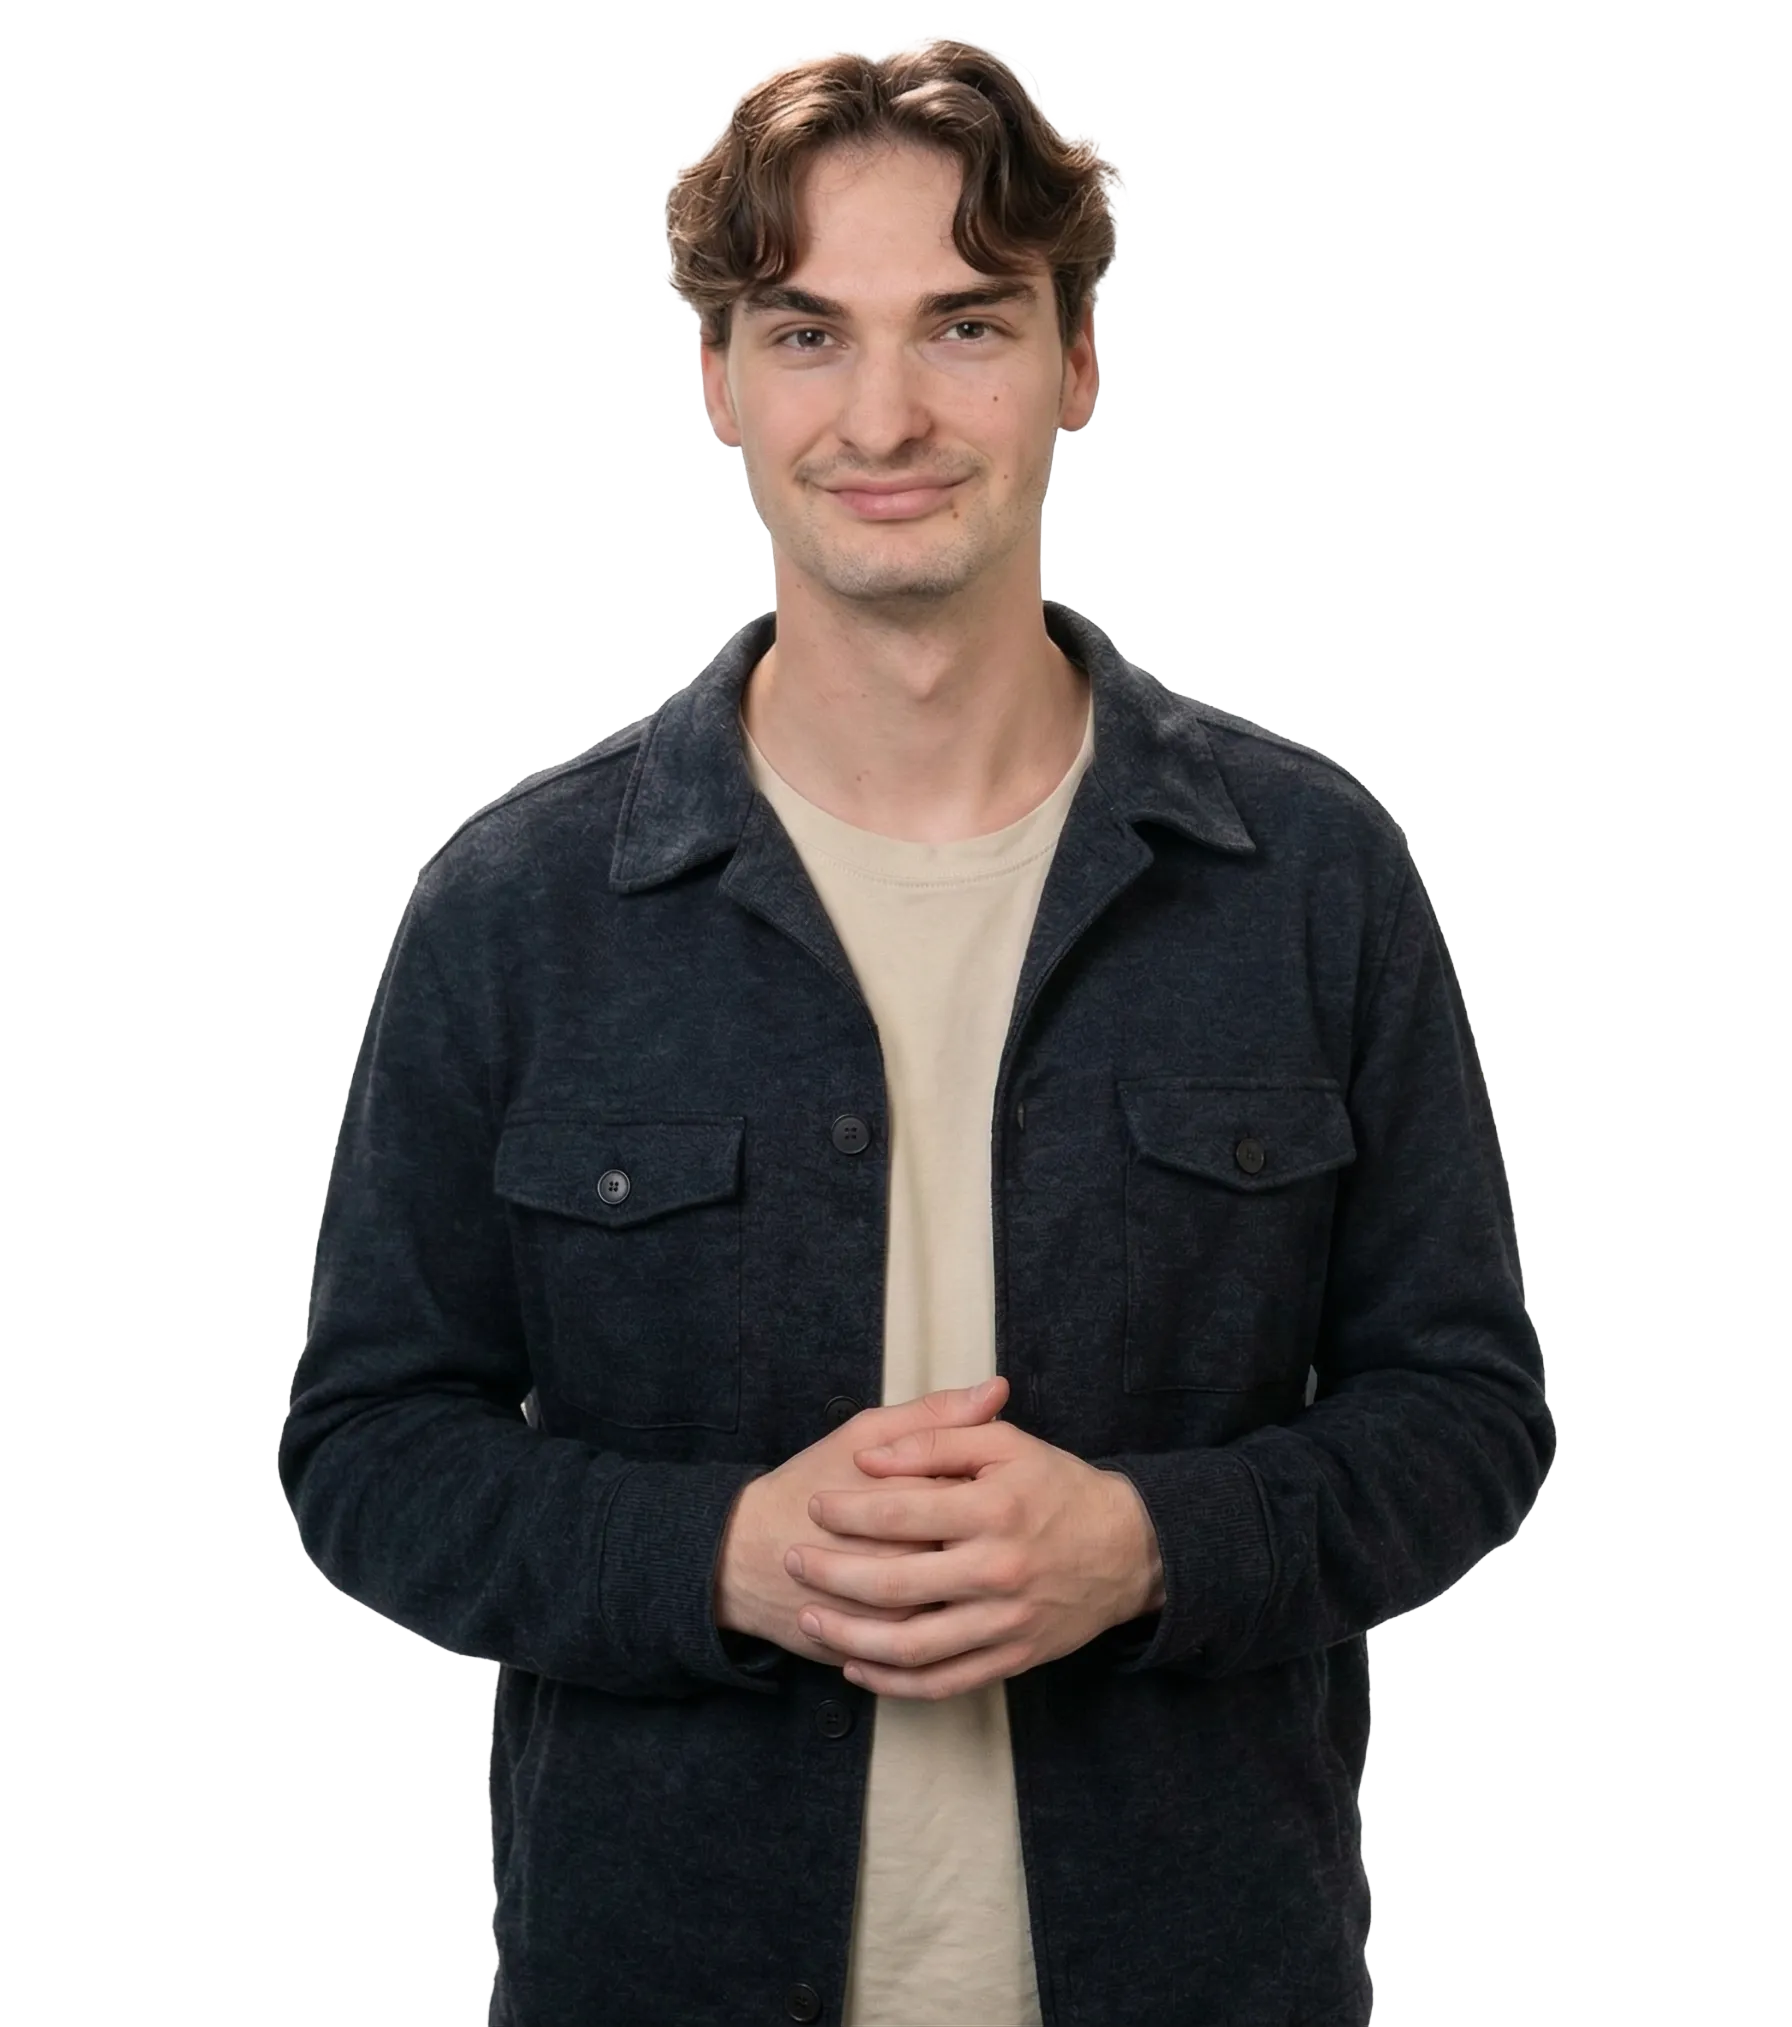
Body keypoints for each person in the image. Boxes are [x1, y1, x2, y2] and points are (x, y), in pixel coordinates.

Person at [278, 31, 1555, 2027]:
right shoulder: (514, 903)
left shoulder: (1310, 870)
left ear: (1076, 367)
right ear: (715, 381)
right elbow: (363, 1452)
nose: (882, 414)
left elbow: (1467, 1408)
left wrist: (1147, 1543)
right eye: (804, 332)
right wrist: (720, 1554)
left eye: (962, 322)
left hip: (1199, 1970)